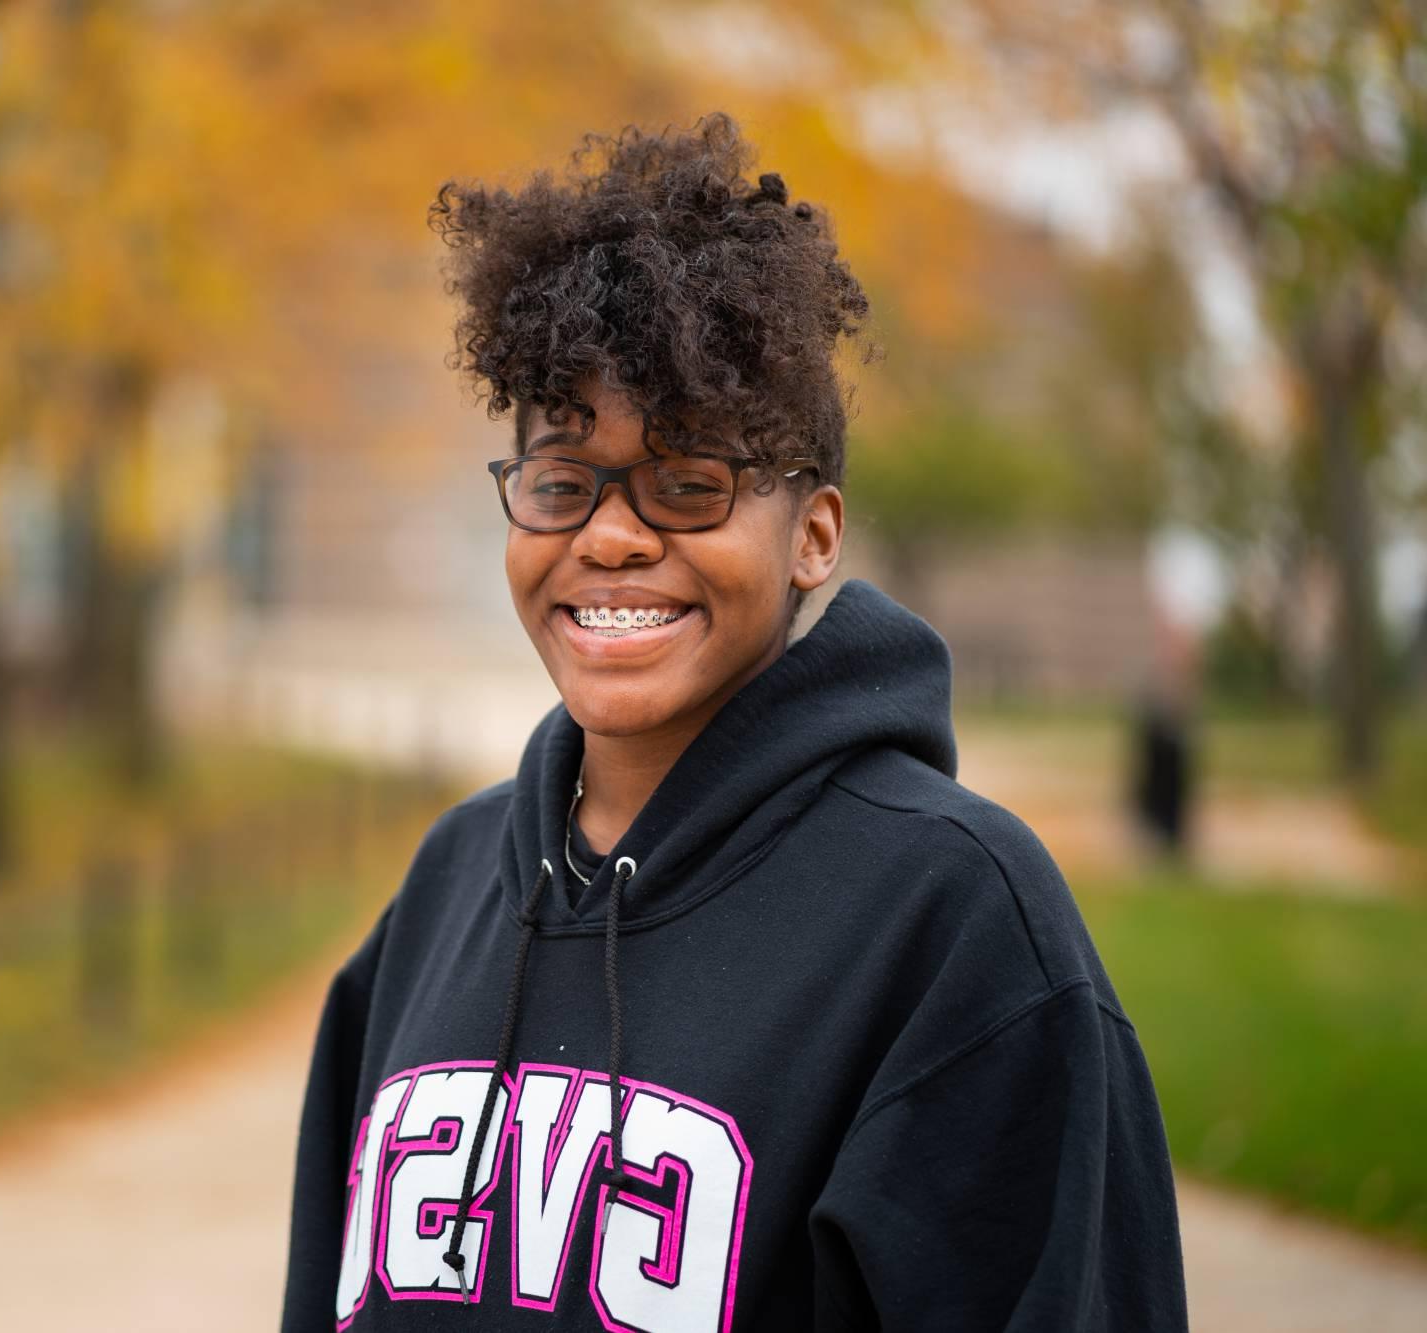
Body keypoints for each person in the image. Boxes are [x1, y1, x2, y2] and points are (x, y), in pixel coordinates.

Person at [279, 114, 1187, 1332]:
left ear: (812, 533)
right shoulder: (449, 884)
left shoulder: (955, 917)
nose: (607, 535)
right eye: (559, 481)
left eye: (688, 482)